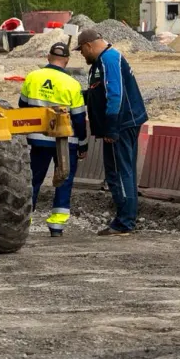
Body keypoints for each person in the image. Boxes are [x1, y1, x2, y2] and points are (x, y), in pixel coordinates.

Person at [77, 27, 147, 235]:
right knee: (124, 171)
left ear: (89, 45)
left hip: (122, 124)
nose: (81, 55)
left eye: (81, 50)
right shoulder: (104, 60)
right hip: (125, 122)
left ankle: (124, 222)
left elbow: (115, 94)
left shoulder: (109, 59)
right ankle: (127, 218)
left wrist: (111, 127)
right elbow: (99, 92)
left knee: (118, 172)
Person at [18, 41, 87, 236]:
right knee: (64, 181)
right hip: (66, 142)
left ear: (48, 58)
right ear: (66, 60)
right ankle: (57, 226)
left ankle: (25, 220)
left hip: (38, 138)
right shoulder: (73, 84)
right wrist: (83, 143)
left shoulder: (33, 77)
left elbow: (22, 106)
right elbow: (79, 118)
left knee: (33, 179)